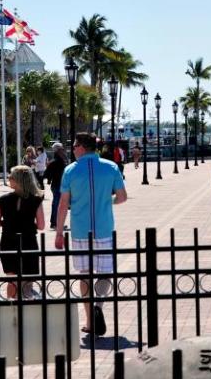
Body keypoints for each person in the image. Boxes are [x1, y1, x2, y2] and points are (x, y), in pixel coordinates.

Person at [54, 132, 128, 336]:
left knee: (84, 275)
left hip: (80, 231)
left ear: (81, 147)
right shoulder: (111, 167)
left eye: (74, 146)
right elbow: (122, 197)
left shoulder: (70, 170)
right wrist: (106, 201)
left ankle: (89, 320)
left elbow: (62, 204)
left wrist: (59, 232)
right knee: (104, 273)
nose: (73, 149)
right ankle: (99, 305)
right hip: (104, 228)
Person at [0, 165, 44, 299]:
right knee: (27, 282)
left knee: (12, 281)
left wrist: (8, 223)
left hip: (8, 241)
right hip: (28, 240)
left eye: (11, 177)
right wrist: (28, 224)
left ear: (18, 180)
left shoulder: (3, 200)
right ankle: (26, 312)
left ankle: (11, 309)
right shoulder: (36, 199)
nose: (9, 178)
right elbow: (42, 225)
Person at [44, 142, 68, 229]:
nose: (63, 151)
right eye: (61, 149)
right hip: (58, 185)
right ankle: (55, 223)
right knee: (57, 205)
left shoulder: (57, 161)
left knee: (57, 204)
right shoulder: (56, 161)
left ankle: (55, 223)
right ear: (58, 150)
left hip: (58, 185)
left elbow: (47, 174)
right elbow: (46, 174)